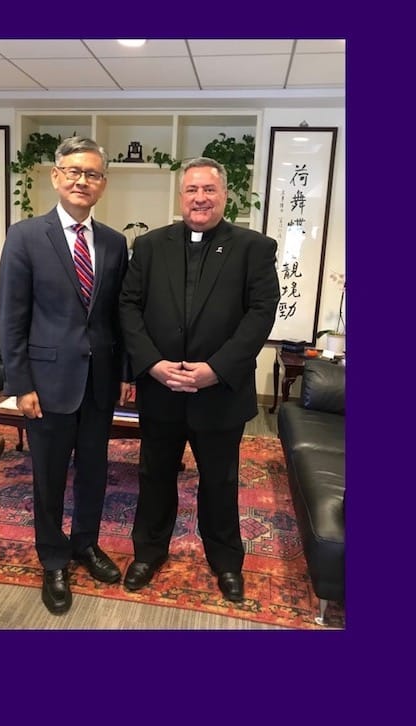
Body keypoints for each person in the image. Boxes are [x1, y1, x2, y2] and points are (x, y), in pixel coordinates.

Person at [119, 157, 278, 602]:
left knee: (221, 481)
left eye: (209, 189)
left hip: (219, 393)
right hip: (161, 388)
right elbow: (128, 307)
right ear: (181, 195)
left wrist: (216, 369)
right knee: (154, 475)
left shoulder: (254, 247)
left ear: (225, 194)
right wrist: (151, 363)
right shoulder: (149, 246)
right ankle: (148, 552)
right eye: (192, 189)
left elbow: (261, 314)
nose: (200, 198)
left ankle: (226, 561)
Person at [0, 136, 133, 615]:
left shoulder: (115, 243)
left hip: (99, 381)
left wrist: (125, 372)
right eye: (73, 171)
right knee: (49, 477)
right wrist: (20, 384)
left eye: (91, 173)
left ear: (102, 184)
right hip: (47, 384)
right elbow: (11, 316)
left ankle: (85, 544)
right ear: (56, 177)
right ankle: (53, 557)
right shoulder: (25, 236)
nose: (81, 180)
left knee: (95, 471)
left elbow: (118, 315)